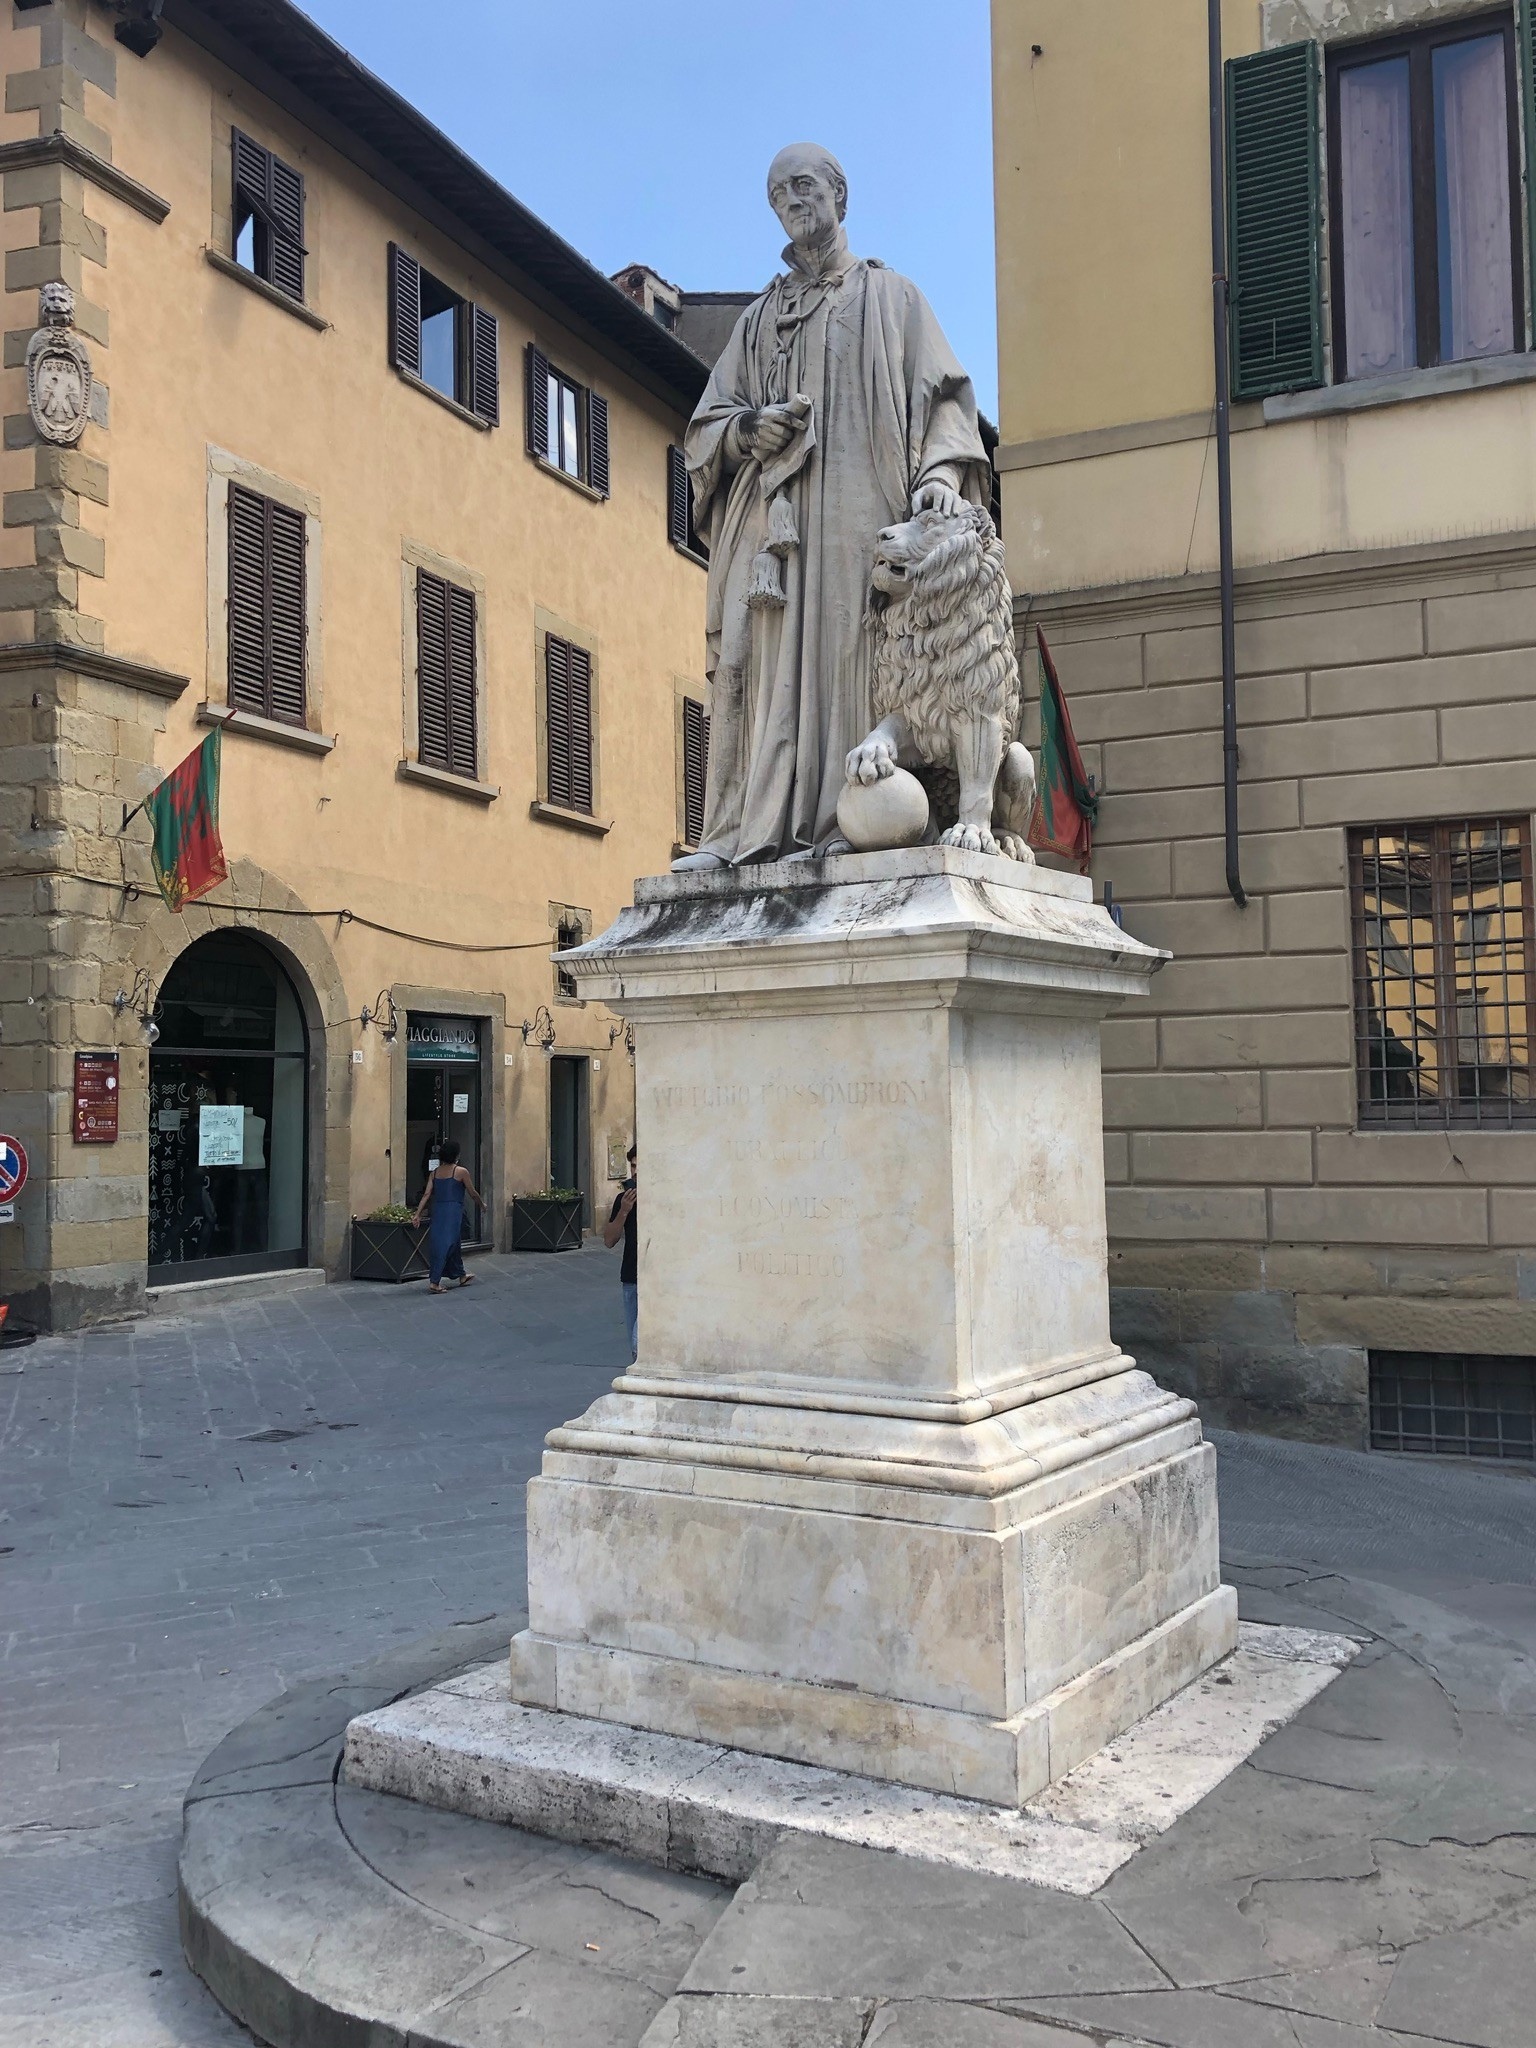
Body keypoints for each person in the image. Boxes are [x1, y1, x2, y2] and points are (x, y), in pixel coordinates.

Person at [675, 143, 990, 869]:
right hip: (775, 529)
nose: (792, 199)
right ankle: (746, 833)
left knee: (860, 652)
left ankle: (853, 818)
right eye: (778, 192)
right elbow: (707, 426)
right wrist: (751, 430)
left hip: (864, 512)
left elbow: (946, 398)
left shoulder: (895, 299)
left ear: (840, 197)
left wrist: (940, 470)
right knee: (761, 668)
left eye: (805, 184)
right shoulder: (757, 322)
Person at [413, 1139, 482, 1294]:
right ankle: (435, 1281)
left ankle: (461, 1274)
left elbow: (426, 1194)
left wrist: (417, 1214)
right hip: (453, 1211)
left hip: (438, 1210)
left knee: (453, 1242)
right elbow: (472, 1193)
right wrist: (482, 1204)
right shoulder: (461, 1172)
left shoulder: (435, 1173)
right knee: (447, 1244)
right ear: (456, 1155)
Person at [603, 1144, 638, 1361]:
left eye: (640, 1167)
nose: (635, 1172)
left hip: (656, 1281)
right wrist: (624, 1211)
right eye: (633, 1166)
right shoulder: (623, 1200)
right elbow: (609, 1240)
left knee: (639, 1342)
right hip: (631, 1278)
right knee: (635, 1349)